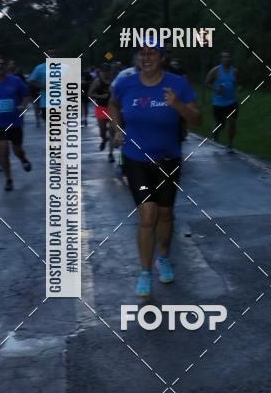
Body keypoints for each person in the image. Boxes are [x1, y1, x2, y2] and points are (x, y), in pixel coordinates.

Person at [110, 42, 200, 296]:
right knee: (147, 215)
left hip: (168, 160)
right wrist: (118, 129)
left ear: (162, 58)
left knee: (166, 214)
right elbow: (113, 104)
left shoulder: (177, 84)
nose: (147, 57)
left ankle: (164, 257)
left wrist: (178, 106)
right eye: (143, 53)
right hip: (136, 159)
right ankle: (145, 271)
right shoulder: (126, 83)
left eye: (152, 53)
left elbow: (197, 118)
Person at [0, 55, 32, 190]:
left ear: (5, 66)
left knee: (17, 150)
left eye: (1, 65)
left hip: (15, 122)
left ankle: (23, 159)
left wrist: (23, 105)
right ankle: (9, 179)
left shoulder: (15, 81)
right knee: (3, 151)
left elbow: (26, 94)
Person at [205, 51, 239, 151]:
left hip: (231, 102)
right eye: (224, 57)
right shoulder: (215, 71)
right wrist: (215, 89)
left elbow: (238, 83)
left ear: (230, 59)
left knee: (232, 122)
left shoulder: (235, 71)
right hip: (218, 103)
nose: (226, 59)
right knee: (220, 124)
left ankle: (230, 144)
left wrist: (239, 87)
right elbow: (206, 83)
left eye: (228, 57)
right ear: (221, 59)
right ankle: (215, 134)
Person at [89, 64, 115, 162]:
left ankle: (111, 153)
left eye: (108, 72)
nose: (106, 74)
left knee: (112, 131)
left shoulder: (114, 81)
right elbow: (90, 94)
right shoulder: (97, 81)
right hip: (101, 108)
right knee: (102, 131)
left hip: (112, 108)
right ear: (100, 72)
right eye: (103, 72)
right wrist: (101, 96)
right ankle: (104, 139)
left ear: (110, 72)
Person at [28, 49, 57, 122]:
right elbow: (31, 81)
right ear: (45, 55)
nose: (52, 56)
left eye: (53, 54)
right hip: (45, 102)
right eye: (50, 54)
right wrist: (43, 86)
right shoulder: (39, 68)